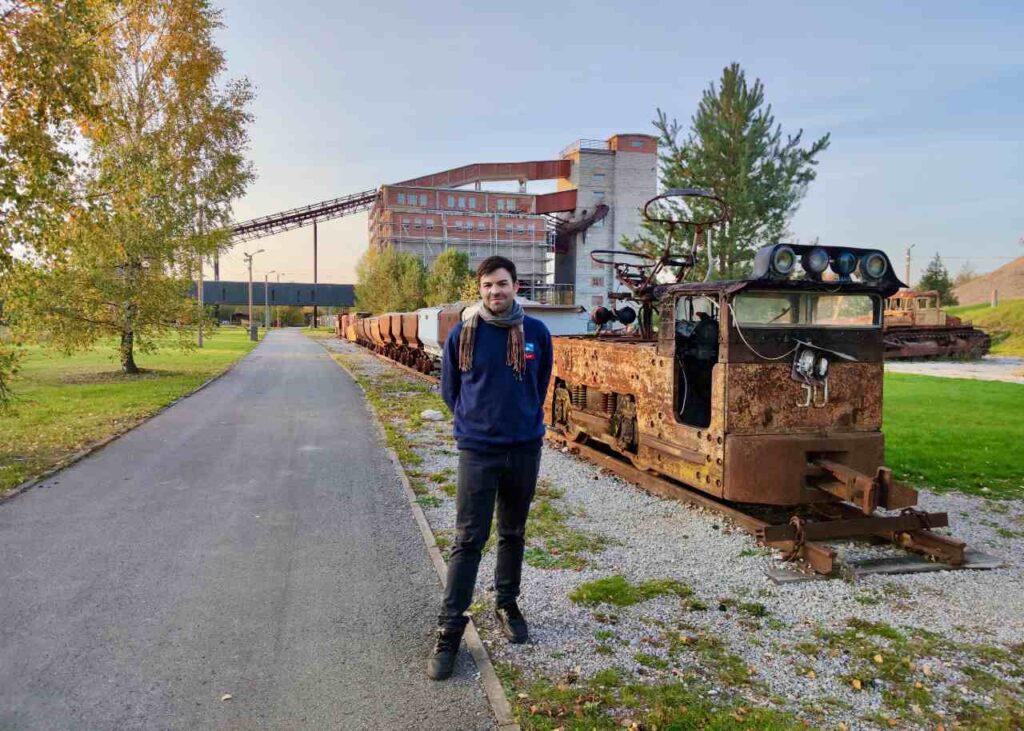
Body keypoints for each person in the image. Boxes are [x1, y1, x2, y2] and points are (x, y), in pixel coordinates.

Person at [427, 256, 553, 681]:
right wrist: (476, 424)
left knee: (513, 532)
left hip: (523, 449)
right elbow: (451, 391)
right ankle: (449, 629)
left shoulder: (536, 333)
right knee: (468, 539)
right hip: (478, 451)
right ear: (479, 289)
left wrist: (522, 421)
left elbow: (540, 385)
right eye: (487, 286)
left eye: (502, 284)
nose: (495, 292)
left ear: (516, 286)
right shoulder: (463, 334)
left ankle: (506, 603)